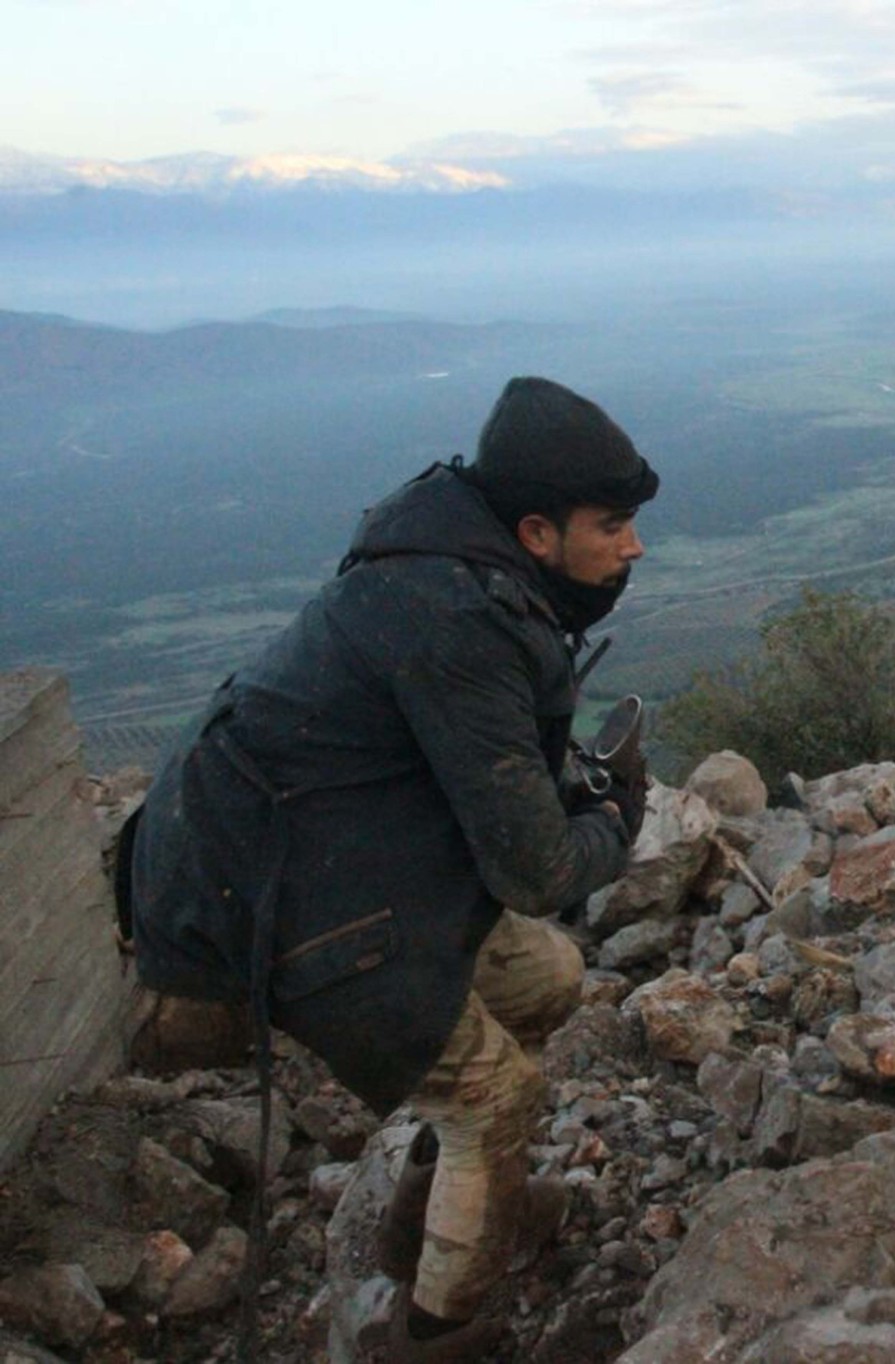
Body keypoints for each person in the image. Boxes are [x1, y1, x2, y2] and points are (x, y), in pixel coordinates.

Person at [127, 376, 659, 1361]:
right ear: (537, 531)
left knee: (549, 977)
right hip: (269, 893)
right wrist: (619, 812)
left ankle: (446, 1205)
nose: (631, 546)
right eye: (613, 524)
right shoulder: (458, 620)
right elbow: (537, 872)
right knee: (498, 1096)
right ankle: (437, 1332)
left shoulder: (462, 569)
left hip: (332, 858)